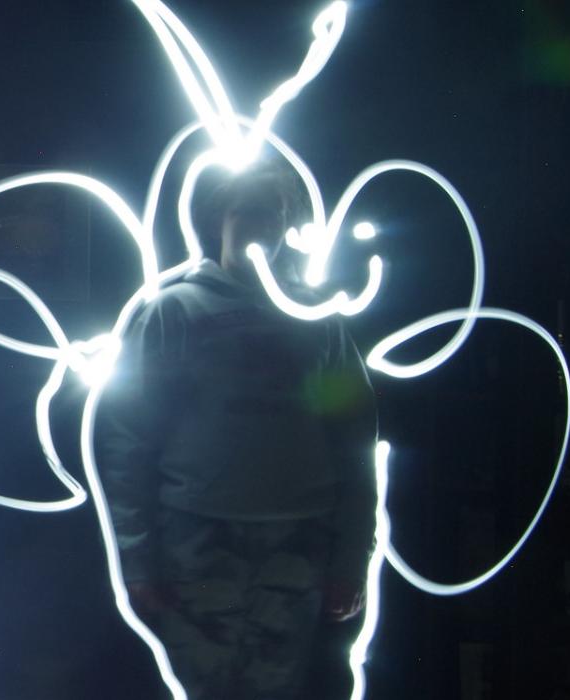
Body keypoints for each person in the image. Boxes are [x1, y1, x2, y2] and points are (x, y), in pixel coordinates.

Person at [97, 166, 378, 699]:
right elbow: (127, 442)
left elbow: (356, 442)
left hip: (296, 541)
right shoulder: (174, 312)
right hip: (199, 539)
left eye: (272, 215)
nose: (260, 228)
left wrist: (350, 560)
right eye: (245, 212)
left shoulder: (316, 322)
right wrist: (136, 560)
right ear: (216, 220)